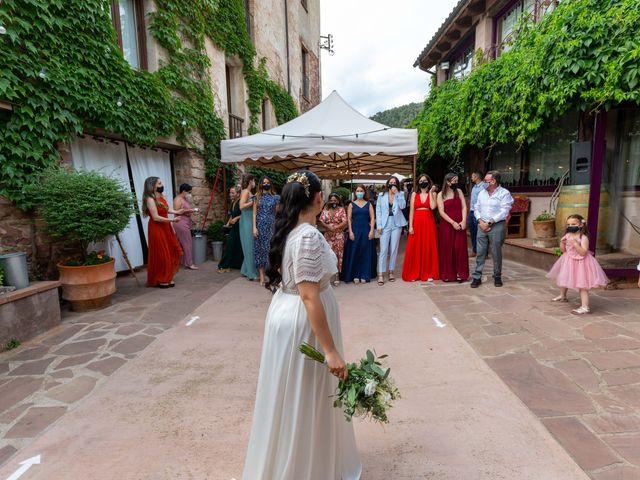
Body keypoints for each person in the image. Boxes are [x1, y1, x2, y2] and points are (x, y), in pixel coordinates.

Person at [243, 171, 361, 480]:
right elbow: (310, 296)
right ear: (319, 198)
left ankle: (299, 457)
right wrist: (331, 350)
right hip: (303, 320)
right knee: (305, 392)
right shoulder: (308, 236)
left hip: (287, 310)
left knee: (293, 392)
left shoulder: (292, 229)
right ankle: (303, 468)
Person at [547, 214, 609, 314]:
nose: (570, 226)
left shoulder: (583, 238)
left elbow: (583, 252)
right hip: (569, 260)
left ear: (580, 225)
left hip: (581, 263)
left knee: (582, 285)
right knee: (564, 277)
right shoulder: (567, 235)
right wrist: (562, 243)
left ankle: (585, 307)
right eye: (568, 224)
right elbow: (564, 250)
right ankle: (563, 296)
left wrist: (575, 243)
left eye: (573, 224)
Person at [470, 171, 513, 288]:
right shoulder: (481, 193)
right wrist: (480, 221)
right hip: (481, 224)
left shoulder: (504, 193)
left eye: (486, 181)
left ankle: (497, 276)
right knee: (480, 251)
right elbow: (476, 207)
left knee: (496, 251)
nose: (483, 183)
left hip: (497, 224)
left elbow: (504, 211)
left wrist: (490, 222)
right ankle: (477, 277)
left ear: (493, 181)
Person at [142, 176, 186, 288]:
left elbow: (166, 209)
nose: (162, 185)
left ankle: (167, 276)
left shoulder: (160, 196)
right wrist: (172, 219)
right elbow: (156, 217)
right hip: (157, 228)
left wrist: (177, 211)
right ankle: (161, 278)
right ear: (153, 186)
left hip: (166, 227)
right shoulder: (150, 199)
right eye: (159, 183)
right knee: (162, 253)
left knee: (170, 251)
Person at [402, 174, 440, 282]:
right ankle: (414, 273)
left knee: (428, 246)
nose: (423, 182)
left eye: (425, 180)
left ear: (428, 182)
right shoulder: (414, 194)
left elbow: (433, 207)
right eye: (421, 180)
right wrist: (410, 226)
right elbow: (411, 211)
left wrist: (432, 192)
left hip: (429, 223)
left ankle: (429, 273)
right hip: (417, 223)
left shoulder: (433, 194)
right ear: (418, 183)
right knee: (415, 247)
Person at [437, 173, 469, 282]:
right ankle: (447, 274)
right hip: (447, 225)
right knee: (447, 249)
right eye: (454, 181)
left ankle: (461, 273)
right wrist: (452, 222)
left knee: (459, 249)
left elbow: (464, 207)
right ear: (447, 182)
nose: (456, 183)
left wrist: (464, 220)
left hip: (460, 224)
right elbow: (441, 212)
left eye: (457, 181)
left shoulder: (459, 192)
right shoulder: (441, 194)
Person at [375, 176, 407, 285]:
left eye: (394, 183)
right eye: (391, 182)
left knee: (394, 249)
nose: (392, 184)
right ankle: (381, 273)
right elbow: (378, 211)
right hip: (384, 224)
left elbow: (403, 206)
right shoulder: (381, 195)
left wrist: (397, 193)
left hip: (396, 223)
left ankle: (391, 272)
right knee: (383, 249)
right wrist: (379, 225)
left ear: (397, 185)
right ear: (387, 183)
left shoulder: (401, 194)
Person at [341, 185, 376, 284]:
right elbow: (349, 219)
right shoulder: (351, 205)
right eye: (358, 191)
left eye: (361, 191)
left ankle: (364, 274)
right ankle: (355, 274)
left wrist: (372, 230)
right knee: (355, 252)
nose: (359, 192)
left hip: (366, 230)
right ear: (355, 193)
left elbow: (372, 218)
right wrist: (350, 232)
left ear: (364, 192)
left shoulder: (369, 204)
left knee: (365, 252)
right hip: (355, 231)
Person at [253, 176, 280, 286]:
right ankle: (262, 276)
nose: (266, 184)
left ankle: (272, 275)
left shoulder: (276, 198)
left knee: (270, 250)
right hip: (259, 226)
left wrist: (278, 227)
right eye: (264, 182)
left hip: (271, 226)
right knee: (260, 251)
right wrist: (253, 228)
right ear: (260, 184)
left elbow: (278, 214)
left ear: (271, 184)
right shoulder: (256, 197)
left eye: (268, 182)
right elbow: (254, 213)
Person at [319, 193, 347, 286]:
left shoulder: (341, 210)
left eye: (335, 200)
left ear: (338, 201)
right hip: (328, 236)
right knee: (328, 255)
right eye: (331, 200)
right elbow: (321, 220)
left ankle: (337, 276)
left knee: (338, 255)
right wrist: (328, 227)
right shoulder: (325, 210)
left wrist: (335, 227)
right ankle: (328, 276)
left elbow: (345, 221)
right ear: (329, 201)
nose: (333, 202)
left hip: (338, 235)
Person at [218, 186, 244, 272]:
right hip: (234, 227)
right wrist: (227, 224)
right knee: (230, 245)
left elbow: (245, 214)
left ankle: (236, 265)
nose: (230, 194)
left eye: (233, 193)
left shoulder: (241, 202)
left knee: (238, 246)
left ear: (238, 193)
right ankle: (226, 264)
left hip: (241, 227)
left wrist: (236, 218)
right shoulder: (233, 202)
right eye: (230, 193)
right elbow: (231, 216)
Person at [173, 183, 198, 270]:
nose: (190, 194)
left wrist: (189, 212)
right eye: (189, 192)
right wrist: (190, 210)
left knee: (181, 243)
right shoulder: (178, 199)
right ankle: (189, 263)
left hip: (185, 222)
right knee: (187, 243)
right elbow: (176, 211)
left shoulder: (183, 199)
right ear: (183, 191)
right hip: (180, 223)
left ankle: (180, 261)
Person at [239, 173, 259, 281]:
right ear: (250, 181)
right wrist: (252, 202)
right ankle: (251, 273)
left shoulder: (247, 191)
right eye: (254, 180)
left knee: (249, 245)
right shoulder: (246, 192)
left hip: (248, 220)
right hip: (247, 221)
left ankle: (245, 270)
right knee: (249, 246)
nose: (254, 182)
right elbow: (241, 206)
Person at [468, 170, 488, 257]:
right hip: (472, 212)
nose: (471, 178)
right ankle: (475, 251)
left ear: (477, 177)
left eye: (472, 176)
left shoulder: (484, 186)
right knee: (473, 232)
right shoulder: (474, 187)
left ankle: (484, 253)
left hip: (480, 213)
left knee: (480, 233)